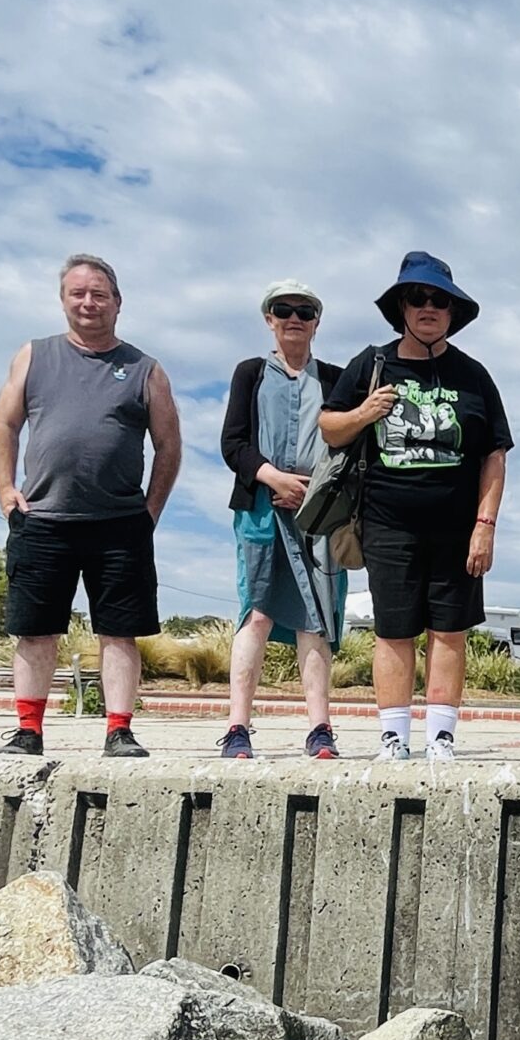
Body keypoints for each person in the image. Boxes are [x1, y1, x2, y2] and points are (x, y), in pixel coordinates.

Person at [0, 253, 182, 759]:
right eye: (78, 293)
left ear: (118, 303)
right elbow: (4, 425)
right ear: (63, 300)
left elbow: (169, 445)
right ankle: (28, 729)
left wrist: (150, 511)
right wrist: (7, 493)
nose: (88, 302)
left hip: (119, 523)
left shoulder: (145, 369)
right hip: (42, 519)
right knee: (35, 630)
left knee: (120, 633)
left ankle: (119, 730)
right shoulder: (33, 355)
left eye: (99, 294)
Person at [321, 252, 510, 764]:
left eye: (439, 300)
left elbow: (494, 456)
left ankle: (441, 737)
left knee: (449, 630)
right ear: (401, 307)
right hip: (387, 522)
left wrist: (484, 524)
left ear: (452, 312)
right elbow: (330, 426)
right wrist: (366, 411)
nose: (428, 307)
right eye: (418, 298)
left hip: (456, 527)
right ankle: (393, 736)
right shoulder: (372, 363)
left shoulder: (474, 376)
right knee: (394, 628)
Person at [217, 281, 346, 761]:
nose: (295, 317)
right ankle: (237, 727)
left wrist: (311, 490)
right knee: (257, 611)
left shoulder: (334, 379)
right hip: (260, 509)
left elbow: (346, 447)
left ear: (316, 321)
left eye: (305, 310)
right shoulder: (249, 373)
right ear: (269, 318)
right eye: (283, 309)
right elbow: (234, 443)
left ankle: (320, 728)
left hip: (319, 514)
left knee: (317, 616)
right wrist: (274, 478)